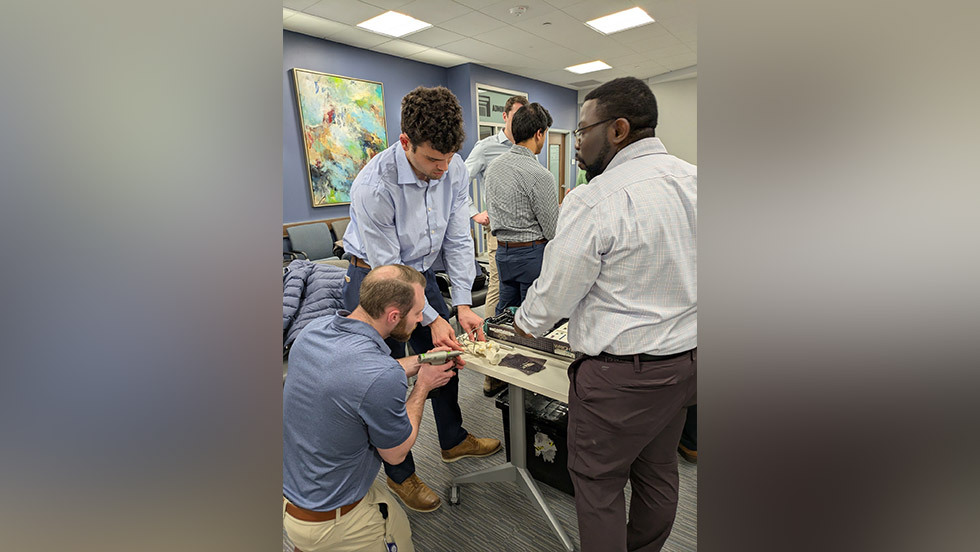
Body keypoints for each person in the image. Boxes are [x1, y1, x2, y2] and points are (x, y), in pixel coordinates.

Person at [513, 76, 697, 552]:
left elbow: (553, 296)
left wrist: (522, 325)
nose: (576, 144)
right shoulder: (697, 181)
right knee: (658, 471)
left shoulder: (594, 199)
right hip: (686, 366)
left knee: (598, 483)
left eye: (581, 131)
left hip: (621, 380)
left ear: (617, 130)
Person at [342, 85, 501, 513]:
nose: (442, 168)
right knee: (387, 379)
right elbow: (390, 268)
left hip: (422, 272)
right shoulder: (374, 185)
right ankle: (402, 474)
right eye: (433, 160)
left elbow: (457, 236)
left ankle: (452, 440)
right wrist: (431, 317)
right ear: (405, 142)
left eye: (449, 159)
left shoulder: (454, 167)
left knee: (444, 356)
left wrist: (464, 304)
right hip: (374, 276)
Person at [283, 265, 457, 552]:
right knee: (400, 533)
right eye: (417, 315)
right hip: (333, 518)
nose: (418, 322)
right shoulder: (380, 375)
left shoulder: (313, 332)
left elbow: (358, 379)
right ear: (393, 316)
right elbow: (397, 452)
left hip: (294, 496)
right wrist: (422, 386)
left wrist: (422, 360)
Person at [464, 94, 529, 396]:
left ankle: (522, 359)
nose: (520, 122)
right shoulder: (486, 148)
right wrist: (474, 211)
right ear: (505, 117)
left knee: (525, 296)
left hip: (529, 237)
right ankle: (492, 365)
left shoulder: (527, 146)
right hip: (500, 234)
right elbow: (456, 184)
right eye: (516, 116)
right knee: (498, 291)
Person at [484, 102, 559, 314]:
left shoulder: (494, 167)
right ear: (539, 133)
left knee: (505, 315)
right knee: (532, 318)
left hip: (503, 254)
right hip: (530, 255)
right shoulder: (540, 174)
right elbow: (552, 230)